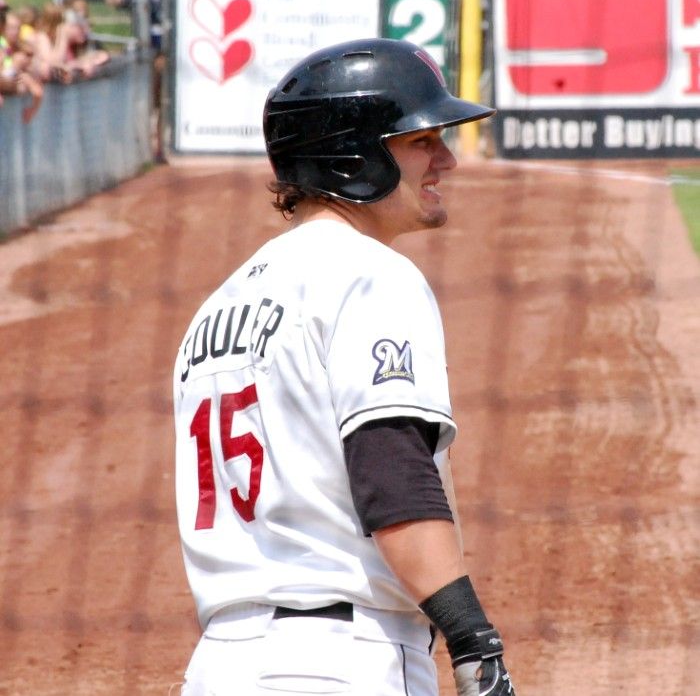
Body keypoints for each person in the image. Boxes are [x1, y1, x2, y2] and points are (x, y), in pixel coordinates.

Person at [173, 38, 516, 696]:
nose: (446, 158)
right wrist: (474, 640)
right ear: (354, 154)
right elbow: (393, 479)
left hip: (218, 667)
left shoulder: (215, 310)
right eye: (421, 141)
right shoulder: (371, 274)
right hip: (342, 664)